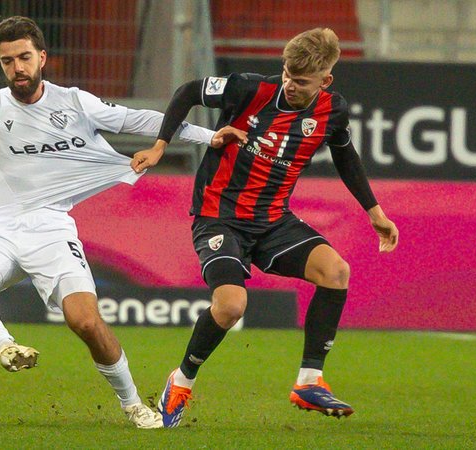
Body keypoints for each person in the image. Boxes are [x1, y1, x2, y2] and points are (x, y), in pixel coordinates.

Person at [0, 16, 243, 429]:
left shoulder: (74, 102)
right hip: (1, 231)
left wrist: (207, 137)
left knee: (86, 322)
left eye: (24, 57)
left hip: (52, 231)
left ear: (42, 57)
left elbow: (136, 120)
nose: (17, 68)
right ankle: (5, 346)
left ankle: (133, 405)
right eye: (7, 61)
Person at [131, 28, 399, 427]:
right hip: (219, 216)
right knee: (231, 306)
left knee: (336, 271)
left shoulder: (332, 110)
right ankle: (182, 379)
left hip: (274, 221)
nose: (290, 85)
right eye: (288, 74)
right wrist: (160, 145)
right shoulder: (247, 89)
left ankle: (309, 381)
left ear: (325, 81)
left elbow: (345, 154)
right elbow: (188, 91)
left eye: (302, 81)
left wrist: (374, 211)